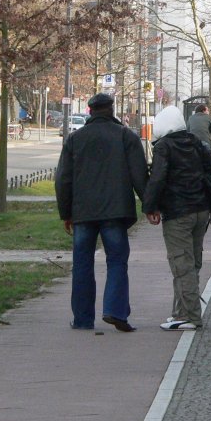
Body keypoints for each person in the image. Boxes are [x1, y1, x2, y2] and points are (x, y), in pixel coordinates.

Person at [55, 92, 149, 332]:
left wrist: (66, 213)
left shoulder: (75, 139)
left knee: (82, 264)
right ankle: (115, 311)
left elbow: (63, 179)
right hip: (115, 212)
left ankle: (83, 319)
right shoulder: (126, 136)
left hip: (82, 212)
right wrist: (150, 205)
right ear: (112, 109)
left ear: (90, 111)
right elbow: (140, 175)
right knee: (117, 261)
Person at [143, 106, 211, 331]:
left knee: (180, 263)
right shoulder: (194, 142)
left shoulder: (164, 147)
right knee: (192, 261)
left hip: (178, 212)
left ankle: (191, 316)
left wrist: (150, 207)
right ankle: (180, 311)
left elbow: (157, 179)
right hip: (201, 209)